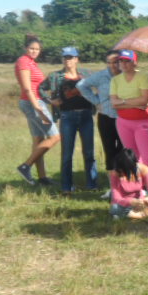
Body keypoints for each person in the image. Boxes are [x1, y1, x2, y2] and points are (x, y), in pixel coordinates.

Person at [39, 46, 97, 193]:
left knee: (89, 152)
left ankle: (92, 185)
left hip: (86, 115)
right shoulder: (55, 76)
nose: (67, 60)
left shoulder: (87, 74)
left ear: (76, 59)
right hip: (67, 117)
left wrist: (98, 100)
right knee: (67, 154)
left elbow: (100, 85)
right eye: (65, 57)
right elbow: (40, 88)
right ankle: (67, 187)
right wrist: (50, 101)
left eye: (70, 57)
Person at [14, 35, 60, 186]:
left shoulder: (32, 62)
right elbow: (27, 88)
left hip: (35, 101)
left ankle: (42, 177)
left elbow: (38, 87)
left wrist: (49, 101)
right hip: (32, 103)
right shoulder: (23, 61)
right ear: (25, 48)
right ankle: (25, 166)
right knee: (55, 136)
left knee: (39, 139)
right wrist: (37, 107)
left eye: (37, 49)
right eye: (31, 48)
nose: (34, 51)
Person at [108, 49, 148, 184]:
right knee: (133, 157)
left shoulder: (143, 77)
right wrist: (133, 102)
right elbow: (114, 103)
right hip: (124, 122)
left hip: (142, 121)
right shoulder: (115, 80)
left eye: (127, 61)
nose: (123, 64)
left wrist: (123, 102)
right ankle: (139, 186)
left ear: (135, 62)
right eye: (121, 61)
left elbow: (144, 100)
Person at [76, 49, 124, 182]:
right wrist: (96, 101)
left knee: (123, 151)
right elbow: (81, 85)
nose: (113, 65)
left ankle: (125, 183)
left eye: (116, 62)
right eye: (109, 62)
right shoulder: (101, 75)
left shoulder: (127, 75)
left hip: (124, 118)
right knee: (109, 151)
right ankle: (113, 186)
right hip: (106, 117)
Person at [108, 148, 148, 219]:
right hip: (124, 202)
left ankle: (133, 214)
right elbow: (116, 198)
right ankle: (144, 214)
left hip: (140, 201)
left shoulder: (144, 169)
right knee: (115, 208)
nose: (122, 173)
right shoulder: (115, 173)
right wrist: (130, 202)